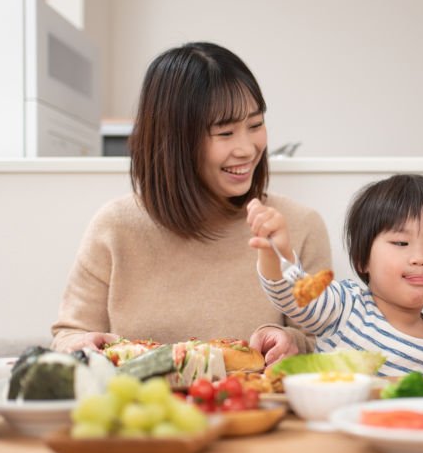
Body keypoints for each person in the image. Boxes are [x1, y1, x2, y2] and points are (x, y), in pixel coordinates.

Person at [52, 42, 331, 363]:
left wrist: (290, 340)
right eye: (225, 133)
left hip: (251, 407)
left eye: (255, 125)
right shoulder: (114, 226)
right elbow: (68, 335)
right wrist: (82, 343)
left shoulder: (299, 225)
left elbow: (324, 340)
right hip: (141, 409)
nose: (247, 148)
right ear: (174, 141)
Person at [246, 174, 423, 376]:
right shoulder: (343, 306)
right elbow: (292, 295)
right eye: (401, 242)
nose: (420, 258)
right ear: (363, 260)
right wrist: (275, 252)